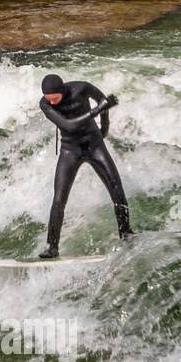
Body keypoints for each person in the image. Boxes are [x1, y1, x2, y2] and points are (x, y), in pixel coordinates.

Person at [37, 74, 133, 259]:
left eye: (55, 98)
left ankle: (126, 234)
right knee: (59, 199)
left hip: (94, 145)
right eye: (49, 100)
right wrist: (97, 111)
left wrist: (104, 128)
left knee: (117, 189)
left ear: (62, 90)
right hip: (69, 150)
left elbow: (104, 102)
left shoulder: (82, 88)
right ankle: (52, 247)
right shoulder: (45, 104)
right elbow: (68, 125)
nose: (53, 103)